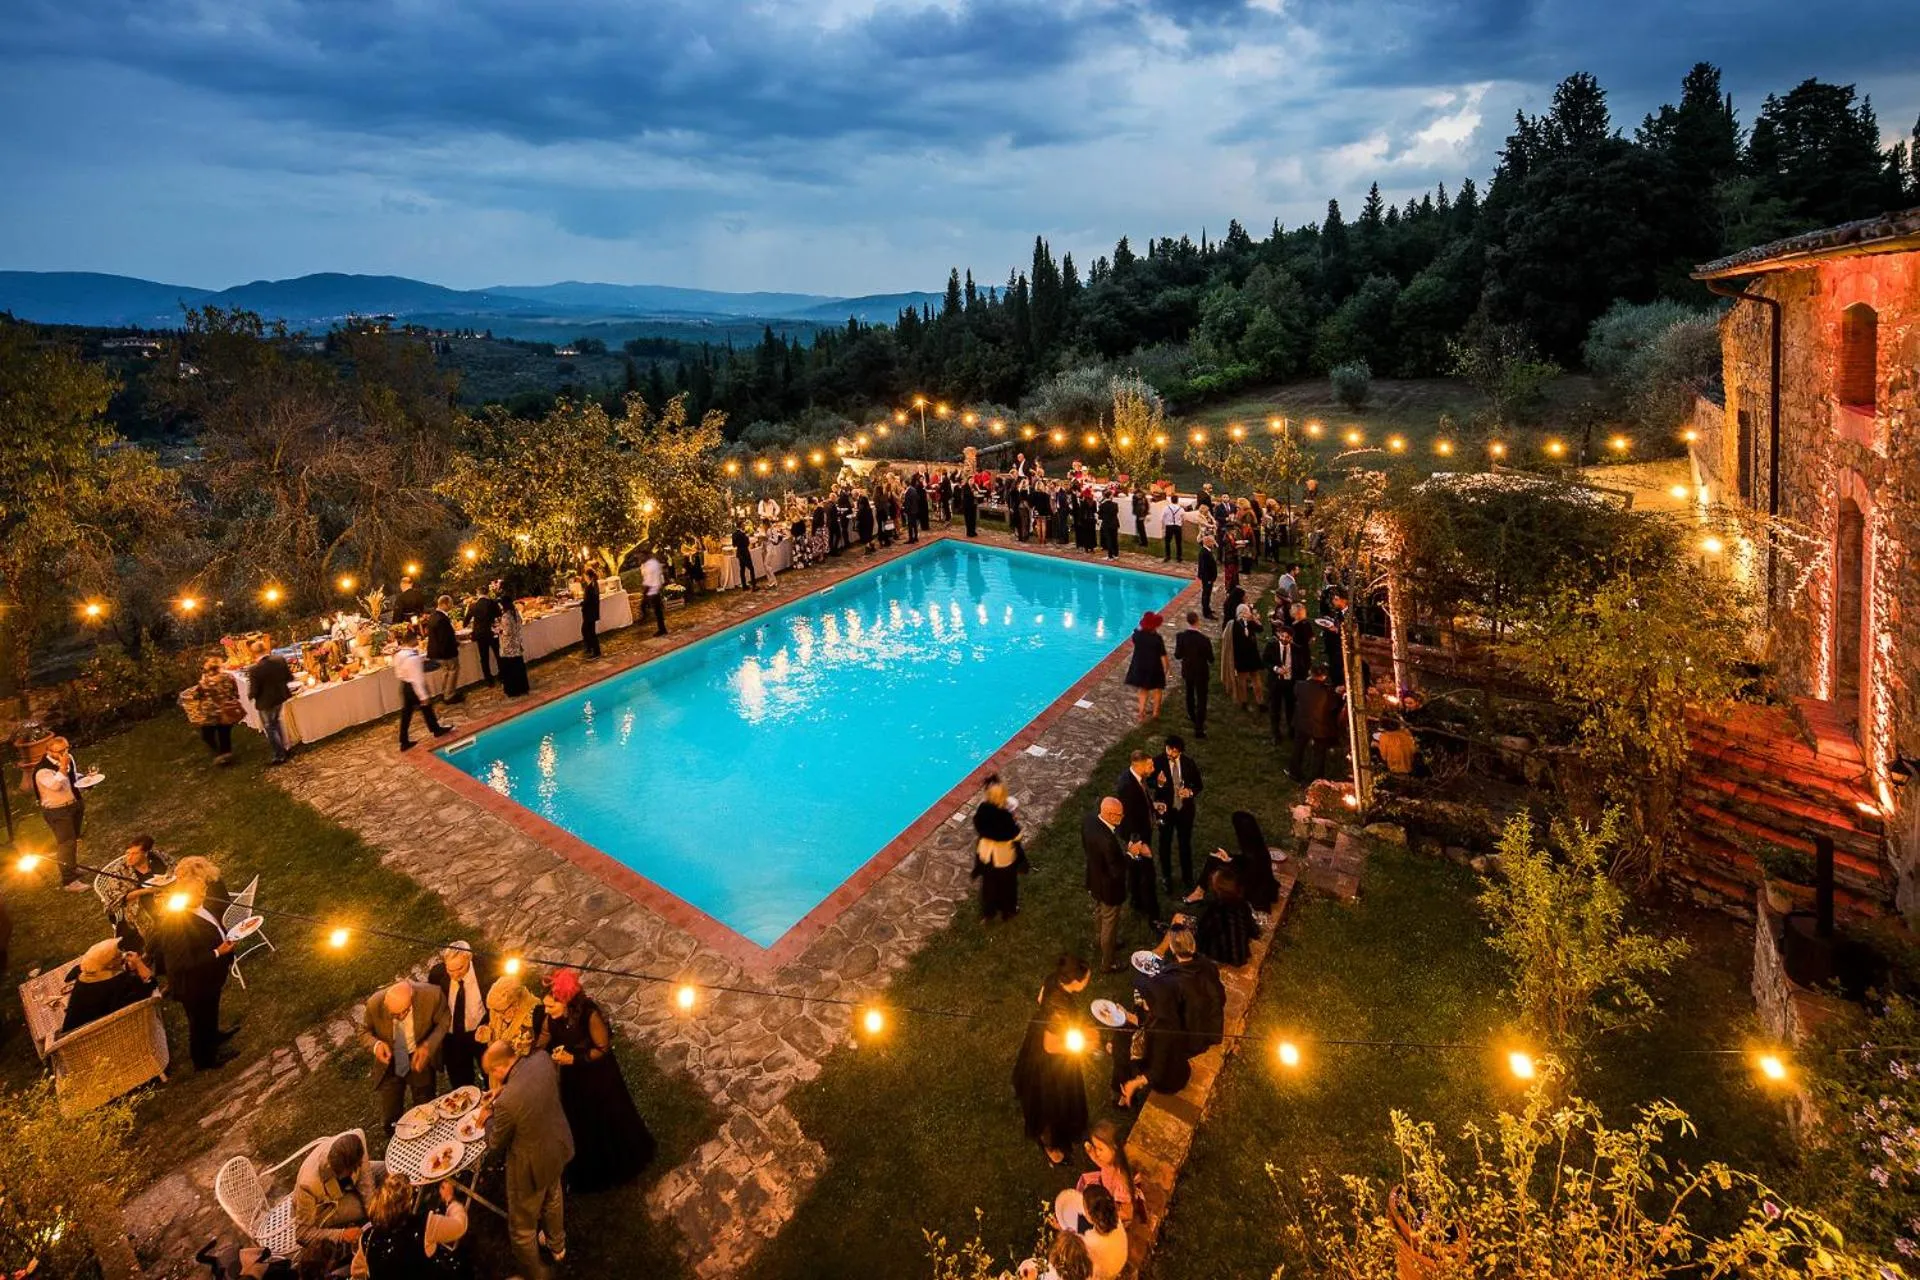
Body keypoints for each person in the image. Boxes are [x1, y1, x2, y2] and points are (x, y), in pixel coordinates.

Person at [539, 968, 655, 1191]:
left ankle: (620, 1165)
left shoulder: (589, 1015)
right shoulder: (551, 1017)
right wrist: (530, 1051)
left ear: (566, 1002)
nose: (546, 1010)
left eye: (551, 1006)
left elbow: (602, 1048)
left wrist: (574, 1059)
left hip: (599, 1076)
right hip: (573, 1079)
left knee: (606, 1117)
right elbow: (544, 1036)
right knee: (580, 1120)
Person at [480, 1041, 574, 1280]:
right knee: (553, 1196)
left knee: (522, 1227)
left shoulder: (507, 1103)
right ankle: (557, 1246)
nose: (493, 1076)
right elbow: (531, 1090)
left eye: (492, 1072)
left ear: (500, 1067)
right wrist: (502, 1091)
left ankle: (536, 1274)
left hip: (530, 1167)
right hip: (557, 1145)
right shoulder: (543, 1060)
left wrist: (486, 1118)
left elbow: (494, 1143)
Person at [144, 877, 236, 1069]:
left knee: (210, 1012)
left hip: (209, 977)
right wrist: (218, 952)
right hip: (193, 984)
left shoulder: (200, 906)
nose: (203, 894)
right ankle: (204, 1060)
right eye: (198, 893)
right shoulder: (176, 922)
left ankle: (214, 1036)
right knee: (199, 1020)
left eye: (203, 890)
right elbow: (181, 962)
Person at [1010, 954, 1093, 1165]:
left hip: (1036, 1037)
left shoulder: (1053, 979)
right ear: (1074, 981)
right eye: (1086, 978)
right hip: (1049, 1063)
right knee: (1051, 1104)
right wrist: (1081, 1046)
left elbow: (1040, 999)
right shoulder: (1060, 1009)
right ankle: (1051, 1146)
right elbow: (1051, 1046)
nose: (1088, 980)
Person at [361, 979, 451, 1133]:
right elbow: (364, 1032)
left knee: (425, 1104)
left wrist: (428, 1046)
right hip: (390, 1060)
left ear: (413, 996)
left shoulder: (432, 995)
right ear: (385, 1005)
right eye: (395, 1014)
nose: (401, 1016)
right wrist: (376, 1045)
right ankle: (393, 1136)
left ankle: (427, 1135)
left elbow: (444, 1021)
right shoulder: (374, 1004)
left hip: (418, 1056)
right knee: (390, 1111)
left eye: (405, 1011)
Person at [351, 1173, 467, 1279]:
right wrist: (450, 1200)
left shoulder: (367, 1238)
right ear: (407, 1204)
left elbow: (357, 1272)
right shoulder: (424, 1225)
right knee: (458, 1264)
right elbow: (459, 1226)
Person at [294, 1131, 378, 1249]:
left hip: (348, 1182)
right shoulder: (308, 1186)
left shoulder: (357, 1139)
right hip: (325, 1206)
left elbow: (365, 1179)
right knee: (366, 1209)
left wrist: (373, 1209)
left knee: (386, 1170)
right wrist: (342, 1235)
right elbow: (302, 1234)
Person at [59, 939, 157, 1034]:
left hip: (72, 1030)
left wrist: (125, 967)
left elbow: (106, 973)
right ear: (110, 965)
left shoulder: (83, 976)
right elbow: (150, 983)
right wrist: (139, 963)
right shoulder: (118, 983)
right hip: (94, 1036)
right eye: (117, 955)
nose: (122, 954)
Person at [428, 943, 490, 1090]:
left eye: (460, 968)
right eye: (451, 970)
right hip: (453, 1037)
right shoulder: (437, 975)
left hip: (481, 1031)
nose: (455, 975)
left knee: (490, 1073)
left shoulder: (487, 969)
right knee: (460, 1082)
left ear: (470, 959)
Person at [33, 736, 88, 888]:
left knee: (73, 839)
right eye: (60, 751)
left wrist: (85, 780)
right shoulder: (42, 771)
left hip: (74, 805)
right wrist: (63, 766)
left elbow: (72, 777)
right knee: (66, 843)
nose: (65, 753)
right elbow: (57, 785)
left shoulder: (68, 757)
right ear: (48, 751)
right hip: (58, 811)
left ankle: (72, 867)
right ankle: (69, 881)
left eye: (66, 749)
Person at [1115, 751, 1161, 928]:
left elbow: (1140, 802)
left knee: (1135, 871)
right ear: (1138, 765)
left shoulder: (1136, 778)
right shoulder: (1127, 786)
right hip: (1138, 840)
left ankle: (1136, 900)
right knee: (1148, 875)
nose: (1153, 768)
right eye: (1150, 766)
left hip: (1140, 835)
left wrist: (1152, 806)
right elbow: (1127, 819)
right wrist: (1138, 844)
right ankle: (1154, 916)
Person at [1082, 798, 1129, 973]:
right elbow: (1117, 871)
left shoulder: (1089, 820)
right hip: (1109, 889)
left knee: (1099, 912)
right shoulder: (1108, 840)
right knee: (1110, 921)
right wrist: (1131, 855)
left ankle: (1099, 939)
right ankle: (1108, 963)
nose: (1122, 817)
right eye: (1119, 815)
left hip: (1094, 879)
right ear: (1109, 815)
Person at [971, 775, 1026, 923]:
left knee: (989, 886)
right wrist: (1015, 822)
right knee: (1007, 886)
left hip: (986, 855)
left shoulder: (983, 810)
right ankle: (1008, 911)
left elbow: (977, 824)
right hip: (1003, 857)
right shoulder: (1004, 816)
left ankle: (988, 913)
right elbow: (1014, 835)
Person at [1153, 736, 1203, 893]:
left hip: (1184, 811)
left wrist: (1190, 792)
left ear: (1180, 751)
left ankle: (1187, 877)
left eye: (1174, 751)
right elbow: (1148, 782)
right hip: (1165, 810)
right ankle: (1166, 877)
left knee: (1184, 844)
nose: (1170, 753)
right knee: (1164, 844)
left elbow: (1199, 785)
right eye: (1168, 749)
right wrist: (1159, 783)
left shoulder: (1188, 763)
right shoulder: (1158, 762)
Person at [1189, 856, 1258, 966]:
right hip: (1240, 954)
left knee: (1179, 920)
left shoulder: (1215, 909)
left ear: (1219, 890)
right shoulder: (1243, 904)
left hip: (1220, 956)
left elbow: (1201, 933)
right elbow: (1254, 931)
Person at [104, 835, 170, 947]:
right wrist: (146, 891)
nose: (129, 857)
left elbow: (175, 871)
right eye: (127, 853)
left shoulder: (159, 859)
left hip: (167, 896)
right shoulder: (120, 871)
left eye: (134, 854)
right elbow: (116, 898)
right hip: (139, 904)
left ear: (145, 853)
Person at [393, 631, 451, 752]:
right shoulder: (413, 658)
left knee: (407, 714)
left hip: (404, 686)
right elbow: (417, 678)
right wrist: (423, 695)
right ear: (413, 640)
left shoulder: (398, 654)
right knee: (426, 708)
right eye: (417, 639)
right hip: (414, 686)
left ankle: (404, 740)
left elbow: (399, 672)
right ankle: (436, 730)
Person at [182, 657, 245, 765]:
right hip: (227, 710)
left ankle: (218, 753)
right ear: (220, 667)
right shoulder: (229, 677)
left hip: (211, 713)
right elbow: (236, 693)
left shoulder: (204, 682)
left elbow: (197, 695)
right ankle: (226, 754)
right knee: (224, 734)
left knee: (207, 735)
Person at [1077, 1119, 1139, 1226]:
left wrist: (1104, 1215)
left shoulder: (1122, 1184)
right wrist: (1091, 1151)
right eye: (1096, 1147)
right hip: (1108, 1191)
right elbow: (1100, 1162)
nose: (1097, 1153)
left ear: (1114, 1148)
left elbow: (1128, 1214)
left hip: (1116, 1212)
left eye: (1100, 1149)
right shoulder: (1110, 1161)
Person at [246, 639, 297, 765]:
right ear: (265, 649)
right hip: (279, 697)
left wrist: (250, 695)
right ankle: (285, 747)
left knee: (270, 727)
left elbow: (254, 690)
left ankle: (280, 754)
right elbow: (289, 677)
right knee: (277, 722)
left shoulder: (254, 669)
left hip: (265, 702)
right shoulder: (280, 660)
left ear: (254, 653)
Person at [1292, 663, 1344, 784]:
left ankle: (1294, 771)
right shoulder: (1328, 692)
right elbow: (1333, 707)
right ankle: (1316, 778)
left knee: (1298, 748)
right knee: (1319, 753)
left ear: (1310, 673)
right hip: (1319, 727)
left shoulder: (1299, 686)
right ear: (1324, 676)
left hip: (1301, 723)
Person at [1229, 810, 1284, 914]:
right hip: (1258, 886)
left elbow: (1245, 881)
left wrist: (1230, 864)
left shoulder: (1253, 858)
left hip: (1256, 896)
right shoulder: (1257, 847)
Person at [476, 973, 544, 1058]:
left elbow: (539, 1045)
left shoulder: (534, 1011)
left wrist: (524, 1046)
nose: (498, 1016)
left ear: (515, 1003)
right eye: (494, 1011)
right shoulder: (495, 1009)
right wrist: (487, 1032)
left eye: (501, 1012)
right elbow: (494, 1030)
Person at [1172, 611, 1213, 740]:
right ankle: (1199, 728)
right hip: (1201, 671)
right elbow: (1211, 658)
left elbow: (1178, 655)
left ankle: (1191, 714)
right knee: (1201, 698)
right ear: (1197, 621)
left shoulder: (1181, 637)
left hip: (1188, 670)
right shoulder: (1204, 640)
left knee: (1189, 692)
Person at [1123, 611, 1169, 724]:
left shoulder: (1138, 636)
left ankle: (1141, 711)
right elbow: (1163, 655)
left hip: (1140, 665)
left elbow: (1135, 633)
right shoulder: (1157, 638)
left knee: (1143, 689)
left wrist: (1140, 626)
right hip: (1154, 667)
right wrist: (1166, 668)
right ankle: (1155, 713)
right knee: (1157, 689)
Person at [422, 596, 462, 702]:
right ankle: (449, 695)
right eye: (450, 604)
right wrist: (455, 645)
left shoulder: (433, 616)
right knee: (453, 670)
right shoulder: (442, 618)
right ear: (445, 603)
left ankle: (445, 692)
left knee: (445, 672)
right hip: (446, 652)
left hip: (437, 652)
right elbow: (445, 638)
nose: (451, 606)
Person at [1225, 604, 1264, 711]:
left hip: (1240, 656)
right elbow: (1261, 628)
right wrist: (1255, 619)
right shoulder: (1251, 622)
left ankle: (1243, 702)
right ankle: (1260, 702)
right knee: (1255, 678)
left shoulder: (1233, 625)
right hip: (1252, 655)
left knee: (1242, 680)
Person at [1263, 619, 1294, 745]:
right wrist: (1276, 669)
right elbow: (1265, 660)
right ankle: (1276, 734)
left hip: (1290, 683)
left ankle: (1291, 731)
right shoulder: (1272, 645)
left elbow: (1303, 663)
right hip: (1276, 682)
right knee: (1275, 709)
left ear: (1291, 638)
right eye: (1282, 636)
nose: (1284, 639)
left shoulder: (1296, 649)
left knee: (1290, 708)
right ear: (1279, 635)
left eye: (1287, 637)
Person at [464, 587, 502, 688]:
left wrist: (466, 625)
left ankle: (489, 680)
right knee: (498, 654)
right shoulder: (492, 603)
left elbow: (466, 620)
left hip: (480, 634)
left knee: (484, 657)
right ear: (487, 593)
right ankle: (502, 675)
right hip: (491, 631)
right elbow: (499, 614)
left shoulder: (473, 605)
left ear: (478, 593)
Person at [495, 593, 530, 697]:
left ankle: (513, 690)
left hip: (508, 646)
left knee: (509, 669)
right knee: (518, 666)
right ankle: (523, 687)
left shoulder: (506, 616)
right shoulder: (515, 612)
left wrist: (498, 631)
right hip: (517, 643)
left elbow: (507, 632)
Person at [640, 549, 668, 636]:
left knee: (657, 611)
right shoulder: (646, 564)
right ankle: (661, 628)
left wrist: (646, 592)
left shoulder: (652, 564)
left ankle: (662, 629)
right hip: (651, 589)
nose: (640, 558)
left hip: (653, 589)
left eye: (641, 556)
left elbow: (651, 580)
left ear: (646, 555)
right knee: (657, 610)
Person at [577, 567, 602, 656]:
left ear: (588, 576)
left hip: (589, 613)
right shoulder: (594, 585)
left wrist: (581, 604)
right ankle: (590, 647)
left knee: (589, 631)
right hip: (592, 612)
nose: (584, 577)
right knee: (587, 630)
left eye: (585, 576)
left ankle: (595, 651)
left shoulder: (590, 587)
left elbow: (588, 601)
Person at [1195, 536, 1218, 620]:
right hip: (1207, 578)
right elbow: (1204, 568)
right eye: (1212, 542)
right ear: (1207, 543)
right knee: (1206, 594)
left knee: (1208, 594)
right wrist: (1208, 579)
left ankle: (1208, 608)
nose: (1213, 544)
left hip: (1209, 578)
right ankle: (1206, 612)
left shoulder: (1207, 551)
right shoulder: (1204, 553)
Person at [1098, 490, 1121, 560]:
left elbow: (1100, 516)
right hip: (1114, 523)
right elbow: (1115, 513)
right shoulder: (1115, 504)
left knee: (1109, 540)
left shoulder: (1102, 505)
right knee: (1114, 539)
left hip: (1106, 524)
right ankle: (1116, 554)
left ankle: (1110, 556)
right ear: (1110, 496)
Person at [1161, 497, 1184, 562]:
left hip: (1169, 526)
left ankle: (1167, 556)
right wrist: (1180, 523)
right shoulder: (1181, 509)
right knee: (1178, 542)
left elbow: (1162, 517)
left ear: (1171, 500)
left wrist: (1164, 525)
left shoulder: (1166, 508)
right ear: (1177, 500)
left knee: (1167, 542)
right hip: (1177, 526)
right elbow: (1183, 517)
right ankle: (1179, 557)